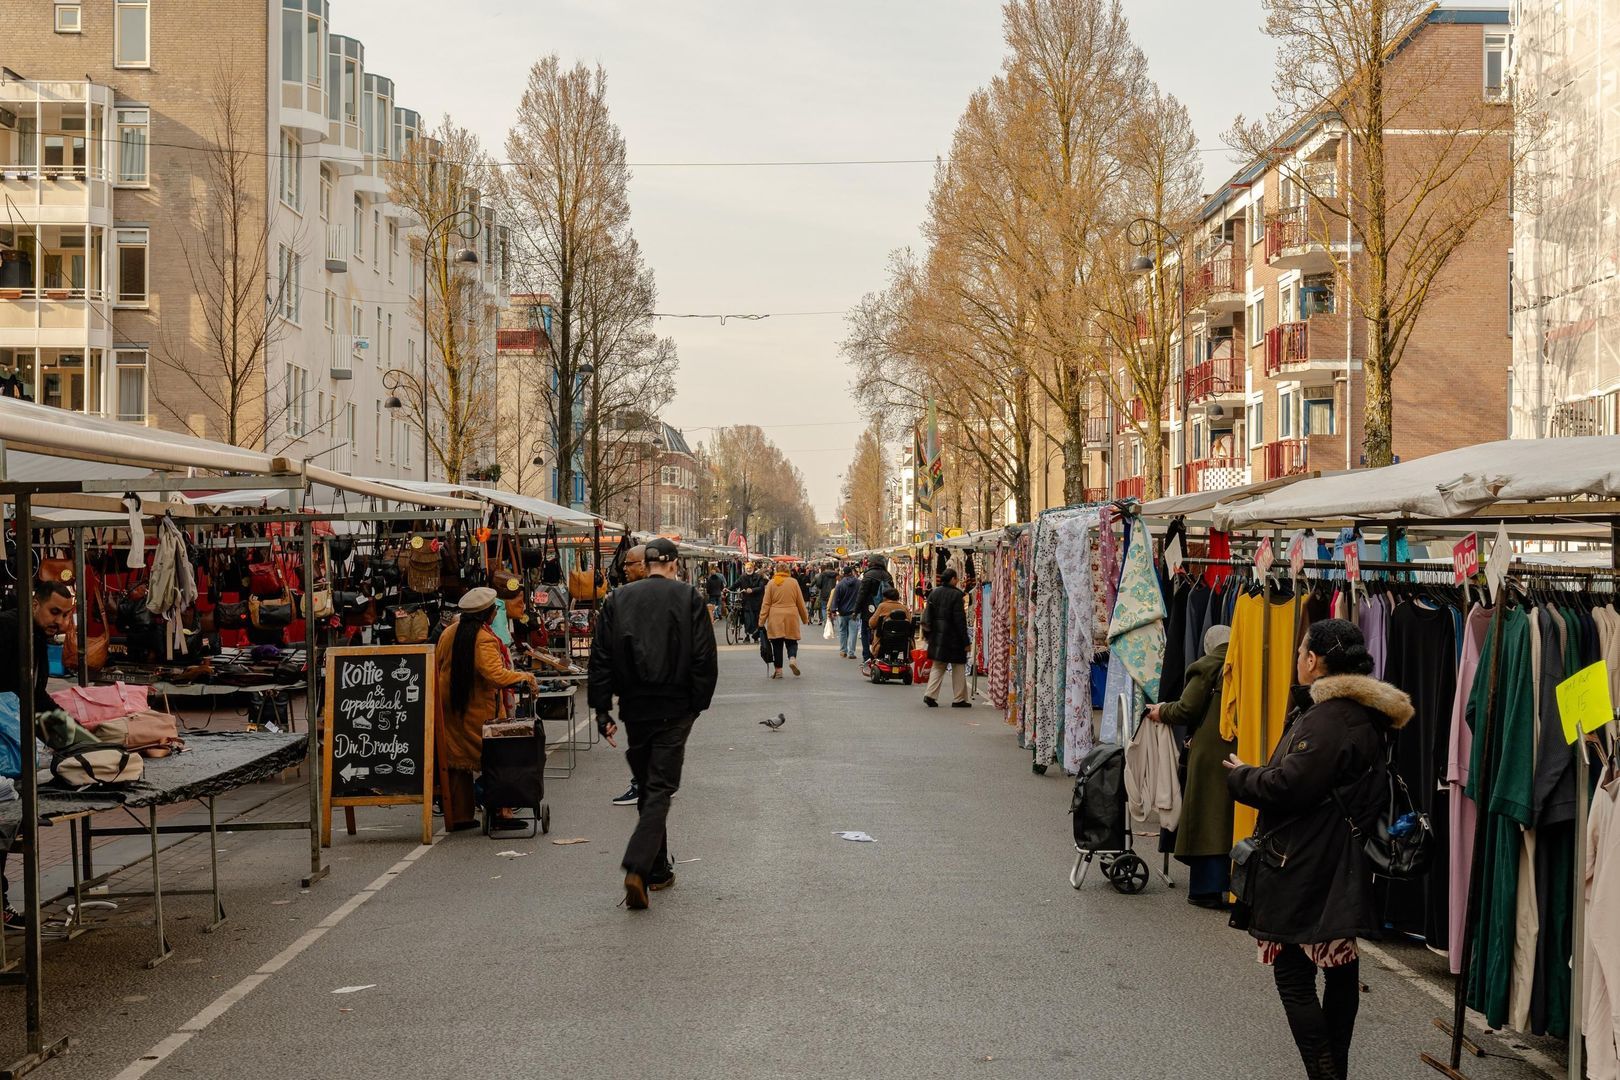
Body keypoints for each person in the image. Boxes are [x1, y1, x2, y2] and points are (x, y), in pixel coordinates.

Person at [1224, 619, 1413, 1080]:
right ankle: (1334, 1069)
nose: (1297, 660)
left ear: (1312, 660)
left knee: (1293, 971)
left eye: (1300, 653)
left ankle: (1325, 1071)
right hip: (1339, 856)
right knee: (1339, 965)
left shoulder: (1330, 718)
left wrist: (1243, 775)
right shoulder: (1365, 712)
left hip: (1307, 860)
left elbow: (1290, 785)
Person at [589, 538, 718, 910]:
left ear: (645, 565)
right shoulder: (689, 598)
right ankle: (639, 865)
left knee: (649, 783)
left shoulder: (617, 600)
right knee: (660, 787)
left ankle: (657, 869)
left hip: (636, 706)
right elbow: (704, 656)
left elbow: (601, 658)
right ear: (674, 564)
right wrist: (696, 704)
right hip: (675, 706)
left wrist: (602, 710)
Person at [0, 580, 74, 932]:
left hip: (10, 752)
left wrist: (72, 737)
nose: (60, 621)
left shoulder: (36, 637)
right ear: (34, 604)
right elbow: (17, 695)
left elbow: (36, 695)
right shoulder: (8, 628)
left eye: (66, 615)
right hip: (5, 748)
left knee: (6, 827)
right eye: (54, 612)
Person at [1146, 624, 1235, 908]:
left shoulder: (1207, 665)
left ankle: (1206, 889)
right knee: (1229, 817)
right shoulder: (1248, 661)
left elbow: (1187, 708)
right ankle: (1231, 885)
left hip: (1210, 750)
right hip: (1239, 747)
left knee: (1207, 815)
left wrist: (1161, 711)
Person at [435, 588, 539, 830]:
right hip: (480, 712)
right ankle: (502, 813)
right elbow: (496, 675)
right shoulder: (483, 638)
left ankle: (460, 816)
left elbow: (438, 664)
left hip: (450, 708)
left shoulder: (449, 632)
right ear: (489, 614)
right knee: (497, 758)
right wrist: (526, 677)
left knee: (457, 762)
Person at [609, 546, 649, 808]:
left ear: (644, 565)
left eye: (629, 564)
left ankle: (641, 786)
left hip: (643, 683)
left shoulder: (632, 597)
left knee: (642, 739)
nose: (624, 568)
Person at [921, 568, 971, 708]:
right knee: (958, 667)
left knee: (938, 665)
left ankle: (930, 694)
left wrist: (927, 635)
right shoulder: (957, 595)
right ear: (953, 579)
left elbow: (927, 616)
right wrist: (965, 641)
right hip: (954, 638)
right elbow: (960, 621)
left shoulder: (934, 593)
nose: (958, 581)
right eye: (956, 578)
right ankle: (959, 698)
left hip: (937, 636)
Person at [759, 562, 808, 679]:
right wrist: (804, 618)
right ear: (788, 571)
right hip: (791, 615)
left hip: (775, 616)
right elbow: (800, 602)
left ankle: (778, 671)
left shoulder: (771, 583)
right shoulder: (794, 582)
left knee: (777, 644)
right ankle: (792, 658)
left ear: (776, 571)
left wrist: (761, 621)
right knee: (792, 641)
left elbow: (766, 604)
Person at [853, 555, 894, 661]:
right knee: (882, 632)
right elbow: (893, 593)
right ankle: (880, 654)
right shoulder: (888, 575)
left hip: (869, 609)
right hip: (885, 609)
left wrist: (856, 610)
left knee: (865, 632)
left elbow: (861, 594)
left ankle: (867, 656)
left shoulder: (868, 575)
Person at [830, 565, 861, 659]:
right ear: (852, 572)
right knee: (853, 632)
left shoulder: (840, 585)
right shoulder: (859, 583)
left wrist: (833, 610)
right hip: (854, 612)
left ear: (844, 573)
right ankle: (851, 652)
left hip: (842, 612)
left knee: (842, 631)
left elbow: (836, 598)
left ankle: (843, 650)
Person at [735, 562, 767, 642]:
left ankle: (755, 636)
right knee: (747, 620)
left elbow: (761, 587)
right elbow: (735, 584)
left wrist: (752, 590)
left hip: (756, 602)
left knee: (756, 619)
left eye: (750, 568)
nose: (749, 570)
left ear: (753, 568)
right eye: (747, 568)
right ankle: (747, 636)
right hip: (746, 602)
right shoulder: (742, 577)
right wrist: (727, 589)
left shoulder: (759, 577)